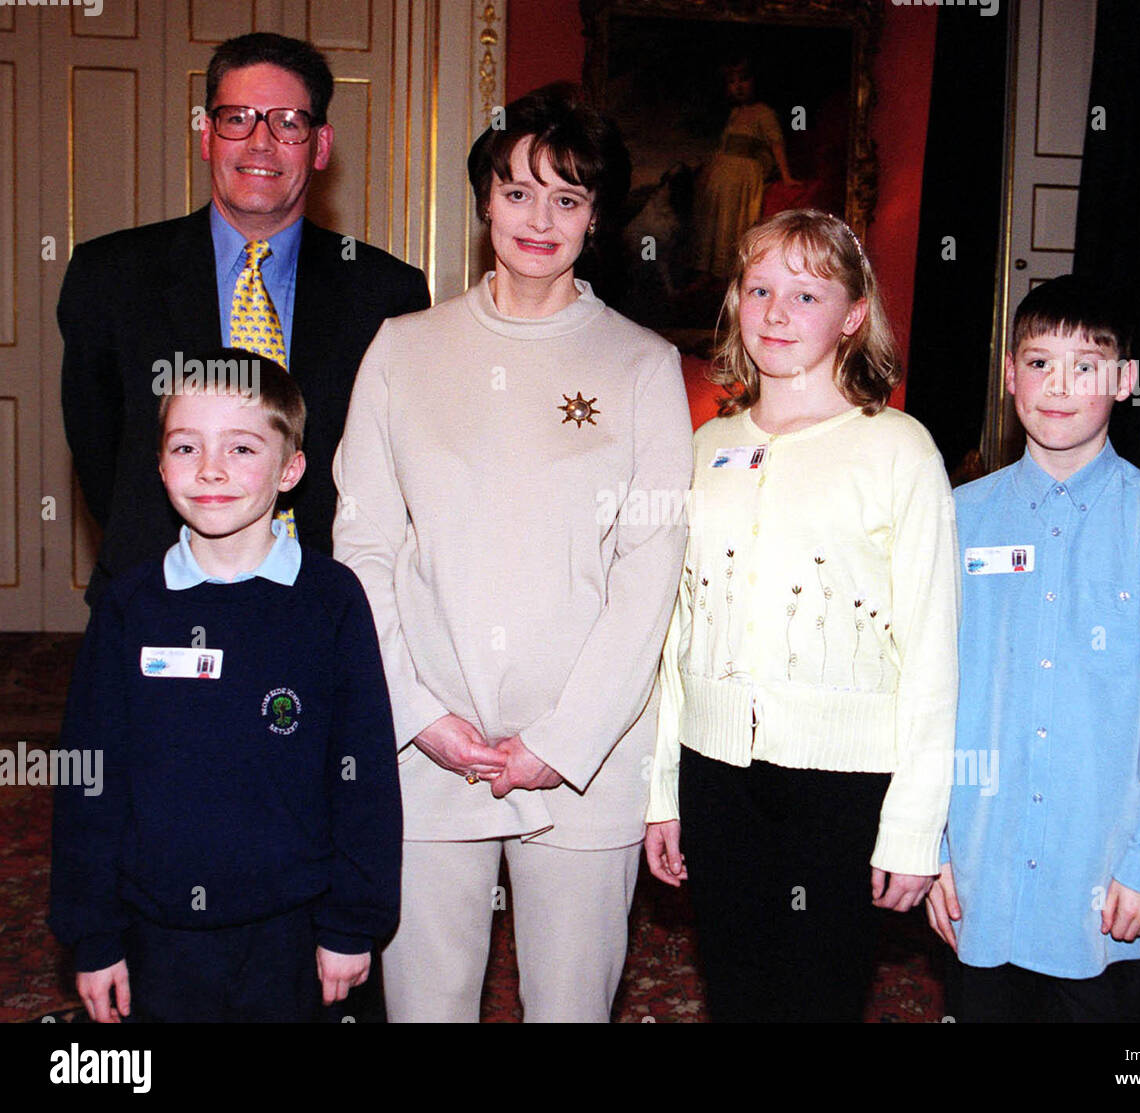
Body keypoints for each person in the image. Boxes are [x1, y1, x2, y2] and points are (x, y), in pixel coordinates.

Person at [332, 84, 694, 1023]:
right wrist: (417, 713)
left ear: (597, 217)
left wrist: (559, 744)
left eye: (568, 198)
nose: (541, 219)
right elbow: (363, 546)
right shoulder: (402, 350)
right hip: (426, 746)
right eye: (519, 191)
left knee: (571, 1009)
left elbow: (648, 577)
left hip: (587, 759)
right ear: (485, 198)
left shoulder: (643, 366)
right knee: (423, 1007)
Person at [645, 208, 960, 1022]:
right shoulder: (704, 449)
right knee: (738, 992)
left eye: (807, 294)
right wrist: (663, 792)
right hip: (716, 777)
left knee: (817, 998)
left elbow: (933, 650)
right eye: (760, 289)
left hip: (844, 788)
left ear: (854, 315)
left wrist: (914, 827)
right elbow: (675, 631)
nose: (777, 313)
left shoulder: (898, 447)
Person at [48, 353, 402, 1022]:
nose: (210, 468)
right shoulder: (130, 607)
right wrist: (93, 935)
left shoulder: (330, 601)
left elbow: (364, 777)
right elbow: (90, 779)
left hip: (295, 933)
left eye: (242, 447)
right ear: (160, 464)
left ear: (290, 468)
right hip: (159, 934)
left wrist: (351, 920)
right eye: (186, 446)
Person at [925, 275, 1140, 1022]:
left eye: (1086, 365)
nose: (1058, 386)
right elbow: (922, 692)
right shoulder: (953, 520)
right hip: (978, 874)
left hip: (1103, 886)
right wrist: (927, 843)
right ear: (1008, 375)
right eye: (1038, 362)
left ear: (1125, 381)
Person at [59, 31, 430, 608]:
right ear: (207, 136)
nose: (261, 143)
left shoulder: (386, 293)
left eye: (287, 122)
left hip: (324, 601)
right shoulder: (109, 277)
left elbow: (395, 470)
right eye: (237, 118)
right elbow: (99, 453)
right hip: (154, 595)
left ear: (320, 145)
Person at [693, 55, 796, 281]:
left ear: (755, 81)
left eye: (744, 79)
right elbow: (725, 144)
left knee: (731, 220)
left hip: (742, 175)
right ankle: (704, 273)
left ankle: (725, 273)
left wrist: (786, 177)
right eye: (732, 81)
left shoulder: (764, 112)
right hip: (723, 172)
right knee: (711, 218)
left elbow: (776, 143)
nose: (738, 86)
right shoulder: (735, 113)